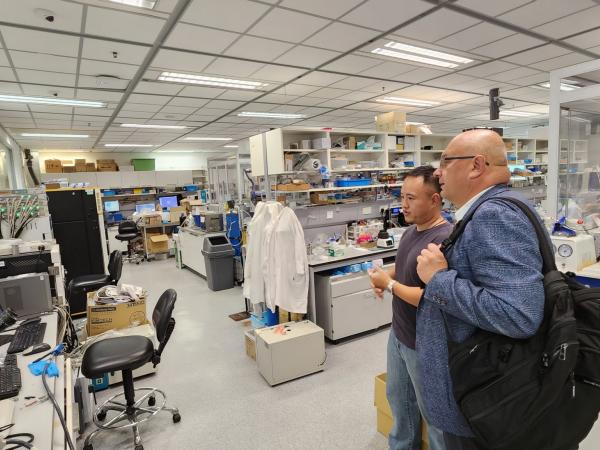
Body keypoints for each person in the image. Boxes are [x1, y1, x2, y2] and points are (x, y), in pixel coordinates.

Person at [414, 129, 546, 450]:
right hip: (479, 391)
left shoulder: (494, 215)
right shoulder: (490, 209)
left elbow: (518, 314)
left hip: (478, 401)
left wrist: (438, 279)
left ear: (476, 166)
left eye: (445, 161)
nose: (437, 172)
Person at [369, 165, 451, 450]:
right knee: (399, 401)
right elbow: (406, 267)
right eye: (402, 196)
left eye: (412, 198)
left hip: (425, 343)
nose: (404, 204)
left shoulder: (442, 240)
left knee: (435, 415)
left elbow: (431, 296)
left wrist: (390, 286)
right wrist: (387, 276)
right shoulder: (411, 232)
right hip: (400, 334)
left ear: (434, 200)